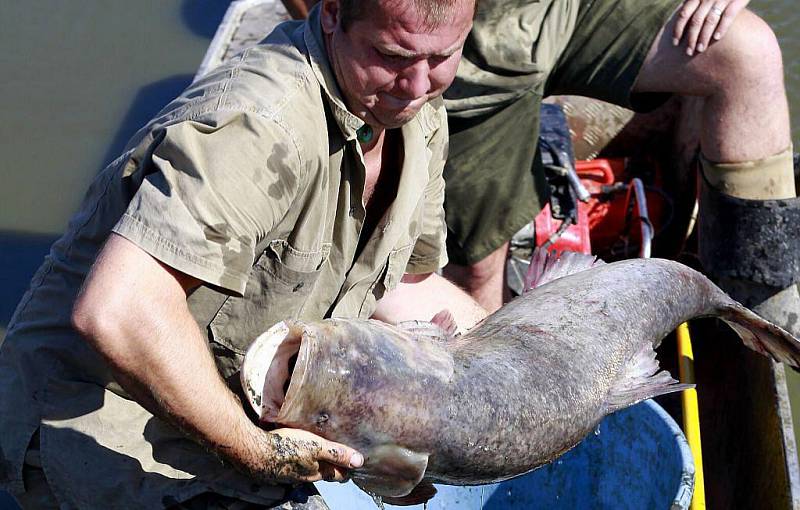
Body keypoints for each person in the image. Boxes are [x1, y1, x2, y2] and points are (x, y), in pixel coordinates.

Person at [0, 0, 484, 507]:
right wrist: (262, 453)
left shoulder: (416, 111)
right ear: (333, 14)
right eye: (391, 55)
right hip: (106, 425)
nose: (416, 85)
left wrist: (512, 355)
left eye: (442, 57)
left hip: (241, 409)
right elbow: (117, 313)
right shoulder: (256, 129)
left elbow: (407, 286)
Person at [439, 0, 800, 332]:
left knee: (746, 55)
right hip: (476, 29)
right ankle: (497, 374)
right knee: (476, 267)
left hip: (557, 7)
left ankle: (760, 323)